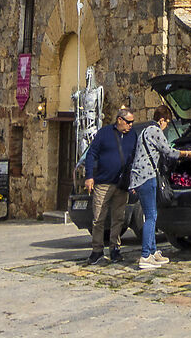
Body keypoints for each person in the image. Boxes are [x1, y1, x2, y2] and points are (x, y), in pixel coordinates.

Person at [129, 106, 191, 272]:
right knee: (151, 217)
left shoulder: (144, 131)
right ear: (162, 120)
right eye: (167, 122)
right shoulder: (156, 131)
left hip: (139, 177)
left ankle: (152, 252)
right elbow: (168, 152)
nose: (166, 126)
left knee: (151, 214)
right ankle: (145, 255)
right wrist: (187, 154)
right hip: (147, 177)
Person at [80, 107, 138, 265]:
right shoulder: (105, 133)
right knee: (98, 218)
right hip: (104, 182)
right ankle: (97, 250)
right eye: (128, 122)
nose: (131, 125)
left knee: (118, 218)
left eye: (132, 122)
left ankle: (115, 249)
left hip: (122, 183)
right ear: (120, 120)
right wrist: (89, 176)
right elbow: (92, 153)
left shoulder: (133, 135)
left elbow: (136, 155)